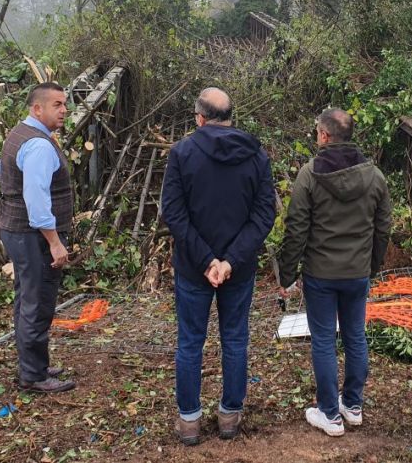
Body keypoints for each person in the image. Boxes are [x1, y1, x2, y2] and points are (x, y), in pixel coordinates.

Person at [160, 87, 277, 445]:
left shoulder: (182, 153)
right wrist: (229, 261)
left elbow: (173, 213)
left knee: (190, 342)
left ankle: (189, 422)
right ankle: (229, 416)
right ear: (230, 117)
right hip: (237, 269)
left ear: (199, 118)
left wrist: (207, 260)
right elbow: (264, 215)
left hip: (193, 268)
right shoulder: (256, 155)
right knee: (235, 339)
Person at [277, 108, 391, 436]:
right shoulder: (375, 176)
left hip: (321, 275)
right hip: (357, 274)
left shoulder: (310, 174)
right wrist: (371, 266)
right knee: (355, 336)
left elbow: (296, 229)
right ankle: (352, 405)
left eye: (317, 132)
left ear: (325, 136)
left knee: (324, 341)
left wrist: (287, 275)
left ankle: (329, 413)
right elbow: (383, 228)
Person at [0, 82, 76, 393]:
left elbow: (4, 174)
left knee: (26, 297)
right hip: (32, 235)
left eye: (64, 104)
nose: (64, 110)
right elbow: (37, 199)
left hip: (16, 229)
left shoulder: (19, 134)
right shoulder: (39, 146)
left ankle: (32, 364)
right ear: (37, 108)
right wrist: (54, 242)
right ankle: (33, 376)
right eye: (57, 104)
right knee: (38, 301)